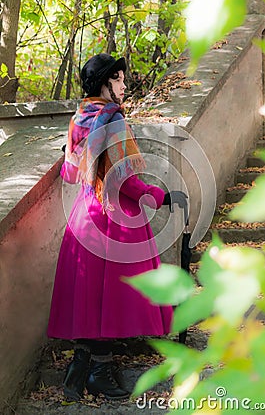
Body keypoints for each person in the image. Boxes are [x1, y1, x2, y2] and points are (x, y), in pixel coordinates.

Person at [47, 53, 173, 401]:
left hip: (85, 214)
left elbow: (70, 173)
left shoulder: (79, 118)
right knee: (112, 299)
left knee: (92, 298)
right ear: (104, 83)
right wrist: (155, 194)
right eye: (117, 79)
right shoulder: (113, 119)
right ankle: (99, 374)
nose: (123, 85)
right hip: (113, 216)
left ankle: (79, 370)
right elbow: (124, 178)